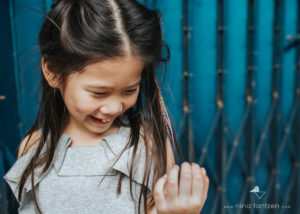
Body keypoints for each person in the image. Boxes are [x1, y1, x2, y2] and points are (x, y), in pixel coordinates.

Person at [4, 0, 209, 213]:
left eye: (130, 90)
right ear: (53, 72)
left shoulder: (149, 144)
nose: (113, 107)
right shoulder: (33, 148)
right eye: (99, 93)